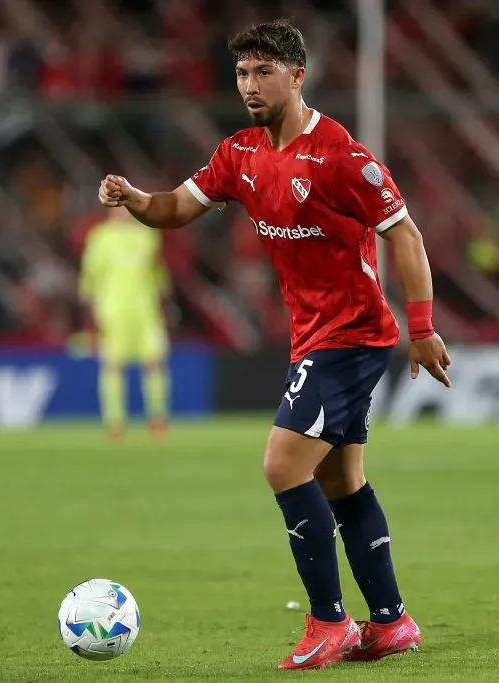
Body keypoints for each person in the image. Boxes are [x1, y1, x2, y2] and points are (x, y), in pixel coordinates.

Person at [97, 19, 451, 670]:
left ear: (297, 76)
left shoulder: (341, 156)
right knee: (341, 480)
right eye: (241, 73)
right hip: (314, 335)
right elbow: (176, 207)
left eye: (263, 72)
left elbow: (406, 235)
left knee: (281, 464)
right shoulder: (240, 154)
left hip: (352, 335)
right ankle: (391, 620)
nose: (250, 85)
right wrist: (133, 198)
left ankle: (328, 621)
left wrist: (424, 328)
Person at [79, 206, 171, 440]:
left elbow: (158, 275)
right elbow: (90, 279)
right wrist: (90, 319)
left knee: (155, 363)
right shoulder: (100, 237)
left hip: (145, 312)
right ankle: (115, 423)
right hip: (112, 313)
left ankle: (157, 419)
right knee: (113, 365)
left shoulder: (148, 236)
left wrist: (163, 308)